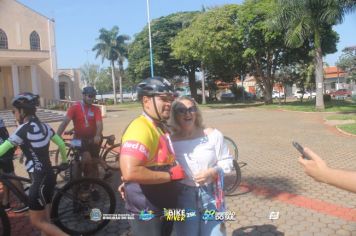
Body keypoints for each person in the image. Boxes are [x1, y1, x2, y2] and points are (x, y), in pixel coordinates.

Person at [119, 77, 185, 236]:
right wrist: (170, 175)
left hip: (162, 204)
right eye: (163, 99)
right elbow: (131, 172)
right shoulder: (140, 128)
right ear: (146, 101)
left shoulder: (159, 125)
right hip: (147, 209)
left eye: (171, 99)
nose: (169, 103)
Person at [0, 92, 68, 235]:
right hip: (49, 176)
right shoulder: (45, 126)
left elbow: (2, 150)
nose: (14, 114)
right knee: (46, 221)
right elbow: (61, 144)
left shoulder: (22, 130)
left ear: (22, 111)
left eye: (14, 111)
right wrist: (65, 162)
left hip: (39, 179)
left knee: (37, 221)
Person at [169, 96, 234, 236]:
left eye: (191, 109)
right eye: (181, 110)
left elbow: (227, 161)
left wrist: (212, 172)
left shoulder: (213, 135)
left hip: (210, 195)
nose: (187, 113)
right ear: (175, 114)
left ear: (196, 112)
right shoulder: (170, 141)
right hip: (182, 197)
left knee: (216, 233)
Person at [57, 86, 107, 178]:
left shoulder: (96, 109)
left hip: (93, 139)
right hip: (78, 139)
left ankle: (93, 181)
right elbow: (65, 122)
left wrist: (97, 135)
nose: (92, 98)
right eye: (89, 96)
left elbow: (99, 125)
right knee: (85, 158)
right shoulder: (74, 108)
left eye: (93, 96)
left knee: (94, 160)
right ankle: (78, 178)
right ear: (83, 96)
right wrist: (57, 136)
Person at [0, 118, 28, 213]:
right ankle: (6, 202)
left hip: (3, 148)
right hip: (4, 143)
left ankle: (24, 201)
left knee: (10, 175)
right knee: (5, 176)